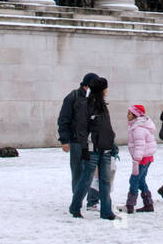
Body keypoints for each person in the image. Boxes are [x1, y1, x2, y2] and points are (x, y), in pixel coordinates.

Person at [69, 77, 117, 220]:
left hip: (105, 147)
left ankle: (106, 211)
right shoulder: (86, 105)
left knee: (105, 180)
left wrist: (111, 142)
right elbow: (82, 128)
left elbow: (107, 127)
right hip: (92, 148)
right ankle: (75, 206)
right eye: (105, 88)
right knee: (86, 179)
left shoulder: (103, 105)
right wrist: (84, 147)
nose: (107, 91)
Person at [58, 73, 101, 210]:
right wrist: (64, 140)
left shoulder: (95, 99)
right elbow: (64, 119)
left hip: (92, 140)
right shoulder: (73, 97)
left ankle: (92, 200)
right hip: (76, 140)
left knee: (94, 170)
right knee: (78, 170)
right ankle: (77, 200)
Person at [126, 104, 157, 214]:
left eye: (129, 113)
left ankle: (130, 205)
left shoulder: (137, 128)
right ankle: (148, 204)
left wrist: (136, 159)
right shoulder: (137, 125)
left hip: (141, 159)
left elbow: (140, 145)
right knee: (140, 180)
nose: (127, 115)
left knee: (134, 180)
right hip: (146, 158)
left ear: (136, 115)